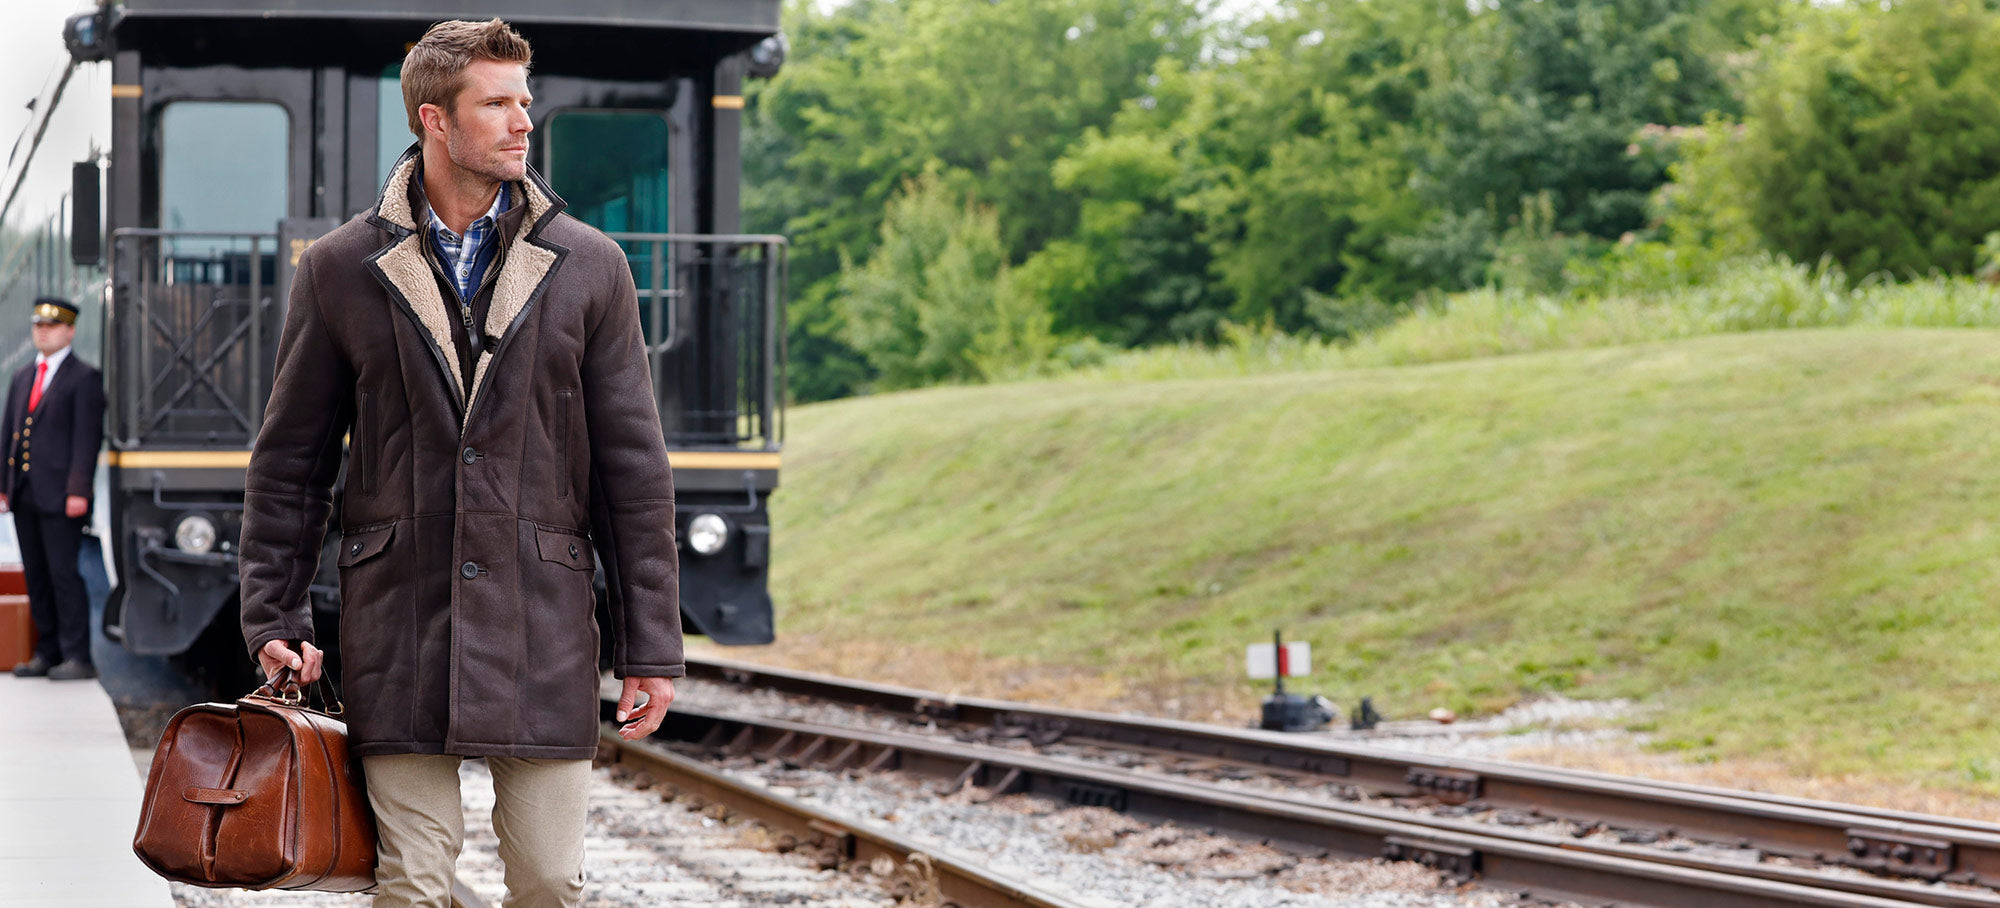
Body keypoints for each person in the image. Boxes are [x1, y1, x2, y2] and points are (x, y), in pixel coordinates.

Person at [237, 18, 681, 908]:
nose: (525, 121)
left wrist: (650, 644)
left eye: (526, 99)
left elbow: (634, 469)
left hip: (543, 621)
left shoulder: (591, 267)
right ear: (434, 120)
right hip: (400, 619)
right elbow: (292, 461)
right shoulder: (340, 268)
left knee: (551, 881)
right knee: (411, 880)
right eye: (499, 103)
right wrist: (272, 609)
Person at [5, 297, 105, 682]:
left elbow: (86, 440)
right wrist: (3, 485)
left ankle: (77, 655)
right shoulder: (21, 377)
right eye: (38, 326)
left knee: (64, 574)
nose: (42, 331)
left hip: (64, 497)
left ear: (70, 331)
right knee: (37, 575)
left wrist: (79, 489)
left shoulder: (84, 378)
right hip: (25, 493)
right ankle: (47, 650)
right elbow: (8, 435)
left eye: (51, 326)